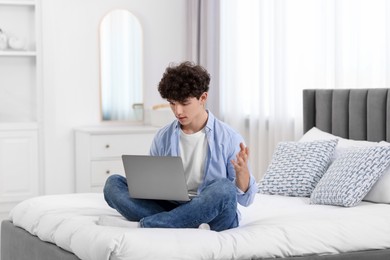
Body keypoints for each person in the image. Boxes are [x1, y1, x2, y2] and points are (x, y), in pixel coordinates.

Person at [103, 61, 257, 231]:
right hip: (172, 206)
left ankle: (156, 222)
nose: (178, 111)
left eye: (184, 103)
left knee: (224, 188)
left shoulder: (229, 138)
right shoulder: (163, 137)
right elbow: (152, 186)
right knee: (113, 184)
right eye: (172, 103)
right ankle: (179, 221)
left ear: (203, 98)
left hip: (212, 213)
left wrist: (243, 175)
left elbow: (246, 200)